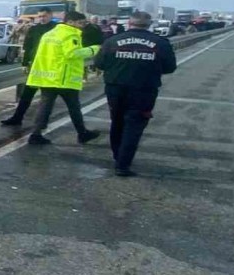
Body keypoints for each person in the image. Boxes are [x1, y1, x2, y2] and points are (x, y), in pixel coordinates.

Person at [94, 11, 177, 175]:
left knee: (117, 121)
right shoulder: (160, 43)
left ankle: (118, 156)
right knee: (134, 125)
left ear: (129, 23)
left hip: (115, 88)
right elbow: (170, 67)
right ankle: (123, 165)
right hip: (144, 90)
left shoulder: (112, 41)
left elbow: (100, 63)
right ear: (149, 24)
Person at [25, 11, 101, 146]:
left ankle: (36, 134)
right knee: (74, 107)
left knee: (45, 106)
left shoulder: (49, 34)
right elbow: (71, 54)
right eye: (80, 23)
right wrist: (93, 49)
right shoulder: (71, 34)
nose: (82, 26)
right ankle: (82, 133)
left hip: (48, 77)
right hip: (64, 78)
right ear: (70, 22)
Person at [0, 8, 57, 126]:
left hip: (51, 67)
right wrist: (25, 63)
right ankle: (17, 118)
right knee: (27, 94)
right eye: (40, 16)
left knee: (48, 97)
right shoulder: (34, 29)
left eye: (44, 16)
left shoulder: (56, 28)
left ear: (50, 15)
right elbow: (27, 46)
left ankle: (42, 122)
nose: (42, 18)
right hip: (35, 66)